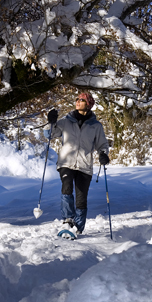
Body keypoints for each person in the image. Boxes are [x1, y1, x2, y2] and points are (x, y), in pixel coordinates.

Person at [46, 93, 110, 235]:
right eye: (77, 99)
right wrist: (50, 122)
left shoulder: (96, 126)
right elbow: (49, 134)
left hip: (84, 165)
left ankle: (78, 228)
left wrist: (103, 154)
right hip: (66, 163)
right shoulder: (66, 121)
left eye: (81, 100)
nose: (77, 102)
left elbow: (102, 144)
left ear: (88, 104)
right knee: (67, 187)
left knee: (81, 198)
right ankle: (68, 219)